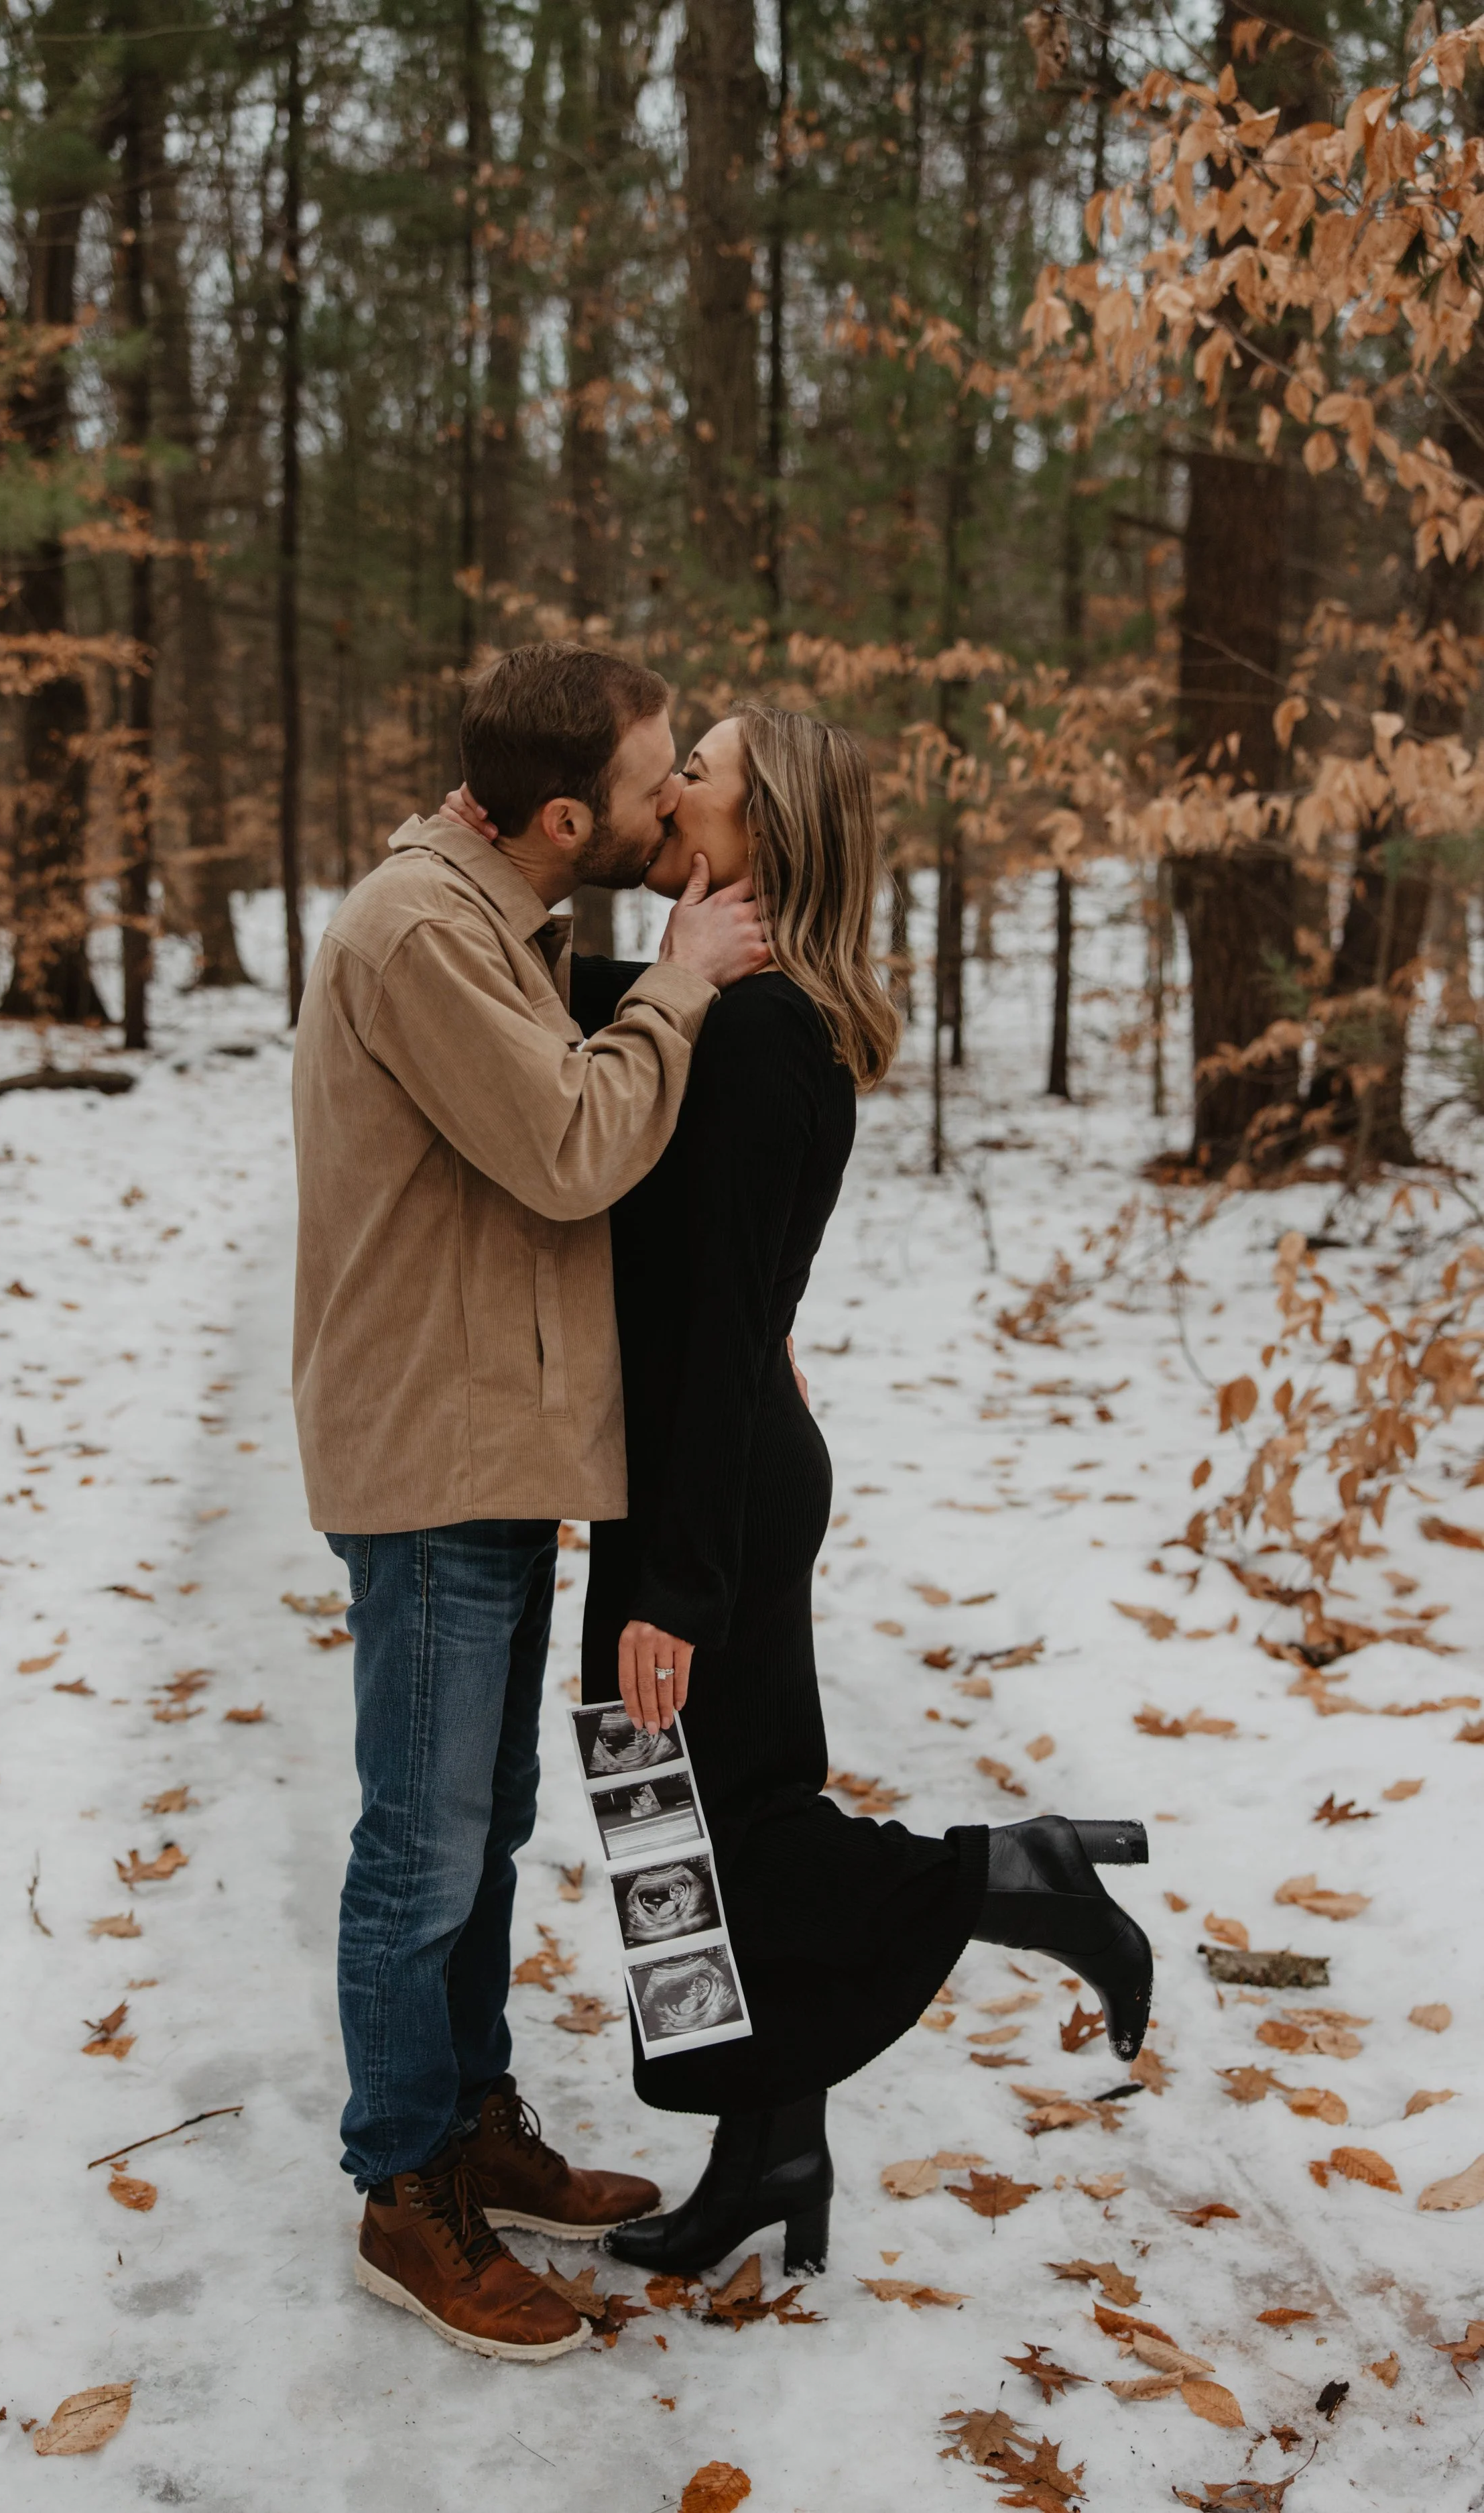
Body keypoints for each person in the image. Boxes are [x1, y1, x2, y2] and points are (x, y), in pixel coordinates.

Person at [556, 707, 1155, 2278]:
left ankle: (1006, 1876)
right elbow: (562, 1014)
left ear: (770, 834)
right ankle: (765, 2149)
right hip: (716, 1449)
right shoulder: (736, 1005)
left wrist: (677, 1586)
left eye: (704, 774)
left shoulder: (756, 1039)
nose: (673, 782)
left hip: (713, 1478)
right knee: (677, 1823)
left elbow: (709, 1311)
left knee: (717, 1825)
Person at [289, 642, 769, 2362]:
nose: (667, 806)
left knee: (476, 1828)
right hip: (431, 1453)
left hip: (484, 1441)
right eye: (654, 782)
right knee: (416, 1849)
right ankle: (402, 2186)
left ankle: (470, 2117)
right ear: (565, 813)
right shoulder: (423, 931)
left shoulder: (489, 918)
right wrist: (685, 979)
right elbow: (570, 1143)